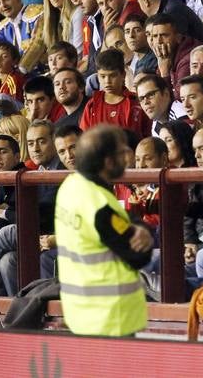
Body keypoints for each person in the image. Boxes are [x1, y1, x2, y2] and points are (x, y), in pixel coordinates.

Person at [55, 124, 153, 336]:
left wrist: (138, 226)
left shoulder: (69, 187)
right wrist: (145, 234)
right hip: (110, 319)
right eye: (122, 152)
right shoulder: (99, 206)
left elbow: (127, 223)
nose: (128, 158)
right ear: (108, 162)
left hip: (81, 313)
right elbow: (138, 255)